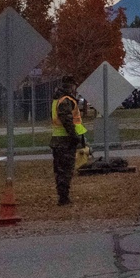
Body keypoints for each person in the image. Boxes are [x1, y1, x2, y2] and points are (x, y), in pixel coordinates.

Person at [50, 76, 87, 206]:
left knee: (60, 170)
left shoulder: (57, 99)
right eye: (74, 85)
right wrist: (75, 137)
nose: (74, 88)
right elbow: (68, 122)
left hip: (58, 140)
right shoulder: (65, 100)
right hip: (65, 141)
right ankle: (63, 198)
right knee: (65, 171)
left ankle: (63, 196)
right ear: (70, 85)